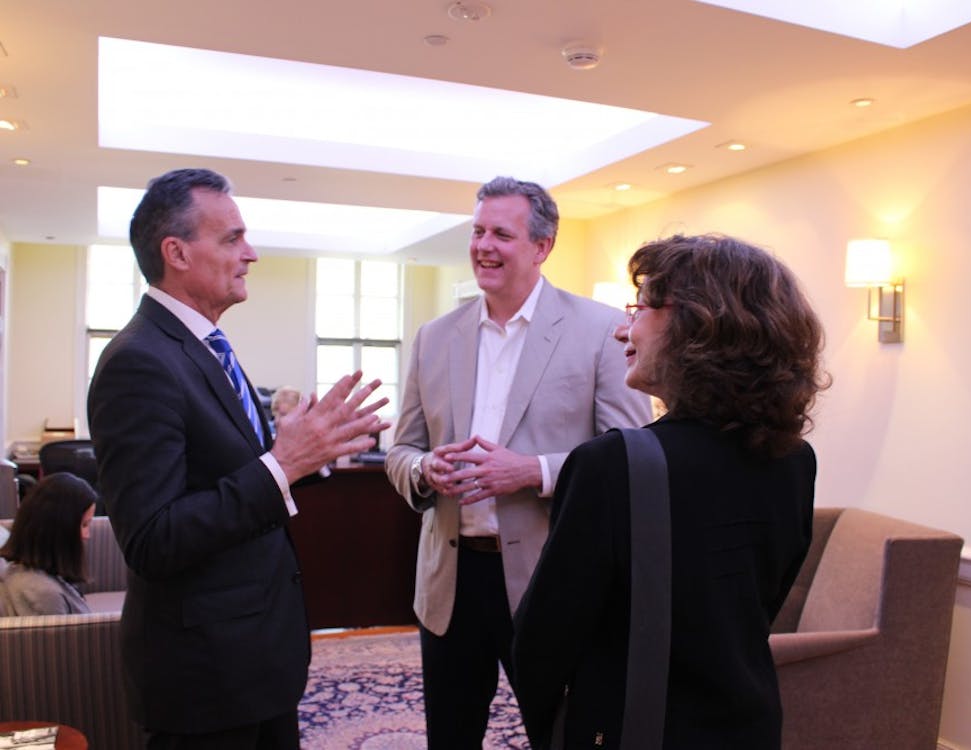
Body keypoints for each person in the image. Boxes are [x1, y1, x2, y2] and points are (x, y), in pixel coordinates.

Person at [87, 168, 388, 750]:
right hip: (204, 675)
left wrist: (303, 456)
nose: (250, 254)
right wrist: (281, 465)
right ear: (175, 252)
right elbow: (153, 539)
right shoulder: (140, 360)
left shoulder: (205, 346)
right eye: (231, 239)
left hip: (254, 658)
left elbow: (238, 476)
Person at [512, 233, 830, 749]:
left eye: (638, 309)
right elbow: (757, 607)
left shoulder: (610, 465)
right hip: (750, 726)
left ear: (694, 323)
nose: (622, 330)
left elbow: (541, 646)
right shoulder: (794, 460)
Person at [384, 176, 651, 747]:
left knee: (559, 736)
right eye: (477, 231)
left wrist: (533, 472)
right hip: (450, 582)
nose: (483, 246)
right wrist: (423, 471)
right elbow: (401, 449)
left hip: (552, 577)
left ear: (541, 246)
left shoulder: (603, 330)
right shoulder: (434, 337)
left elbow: (632, 455)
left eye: (501, 234)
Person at [0, 472, 97, 616]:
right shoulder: (43, 595)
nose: (87, 535)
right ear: (58, 530)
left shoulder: (33, 573)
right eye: (84, 525)